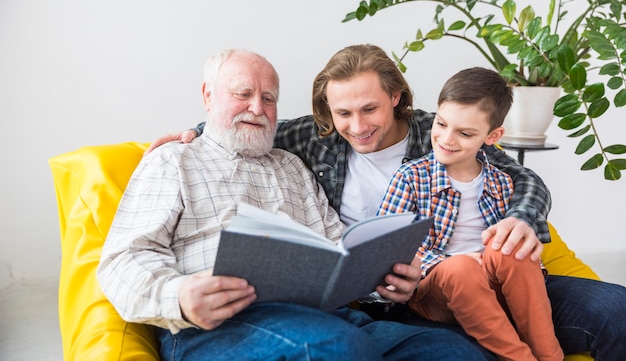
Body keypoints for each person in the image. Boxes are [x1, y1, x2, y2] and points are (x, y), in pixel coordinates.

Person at [147, 44, 626, 360]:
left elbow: (522, 176)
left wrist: (523, 217)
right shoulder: (314, 139)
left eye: (370, 109)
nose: (357, 126)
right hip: (403, 294)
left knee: (614, 309)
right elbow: (250, 121)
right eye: (343, 113)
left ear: (396, 98)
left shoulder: (439, 130)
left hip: (492, 271)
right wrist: (200, 130)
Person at [97, 48, 490, 361]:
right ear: (207, 96)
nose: (256, 107)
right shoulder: (173, 160)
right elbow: (123, 258)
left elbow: (340, 249)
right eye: (242, 94)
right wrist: (179, 297)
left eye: (268, 98)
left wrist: (387, 278)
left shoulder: (292, 165)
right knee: (331, 347)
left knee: (453, 351)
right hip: (220, 325)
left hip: (327, 317)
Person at [377, 67, 563, 361]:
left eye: (464, 133)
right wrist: (455, 261)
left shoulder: (501, 182)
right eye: (441, 124)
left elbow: (508, 256)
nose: (447, 139)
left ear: (493, 136)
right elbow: (389, 244)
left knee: (512, 249)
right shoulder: (411, 177)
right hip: (436, 290)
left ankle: (550, 355)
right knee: (461, 269)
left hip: (490, 286)